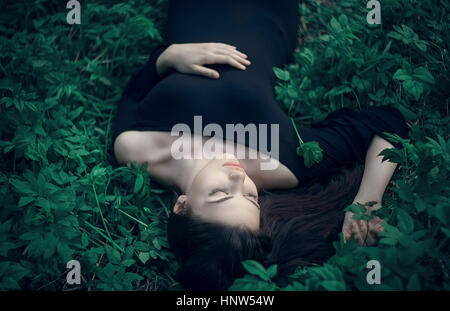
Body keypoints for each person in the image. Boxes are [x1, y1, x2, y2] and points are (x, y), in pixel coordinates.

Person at [111, 0, 409, 290]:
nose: (239, 177)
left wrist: (167, 58)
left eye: (220, 193)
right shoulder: (280, 163)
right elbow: (386, 121)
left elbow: (134, 93)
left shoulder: (134, 150)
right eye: (251, 199)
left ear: (182, 205)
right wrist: (367, 200)